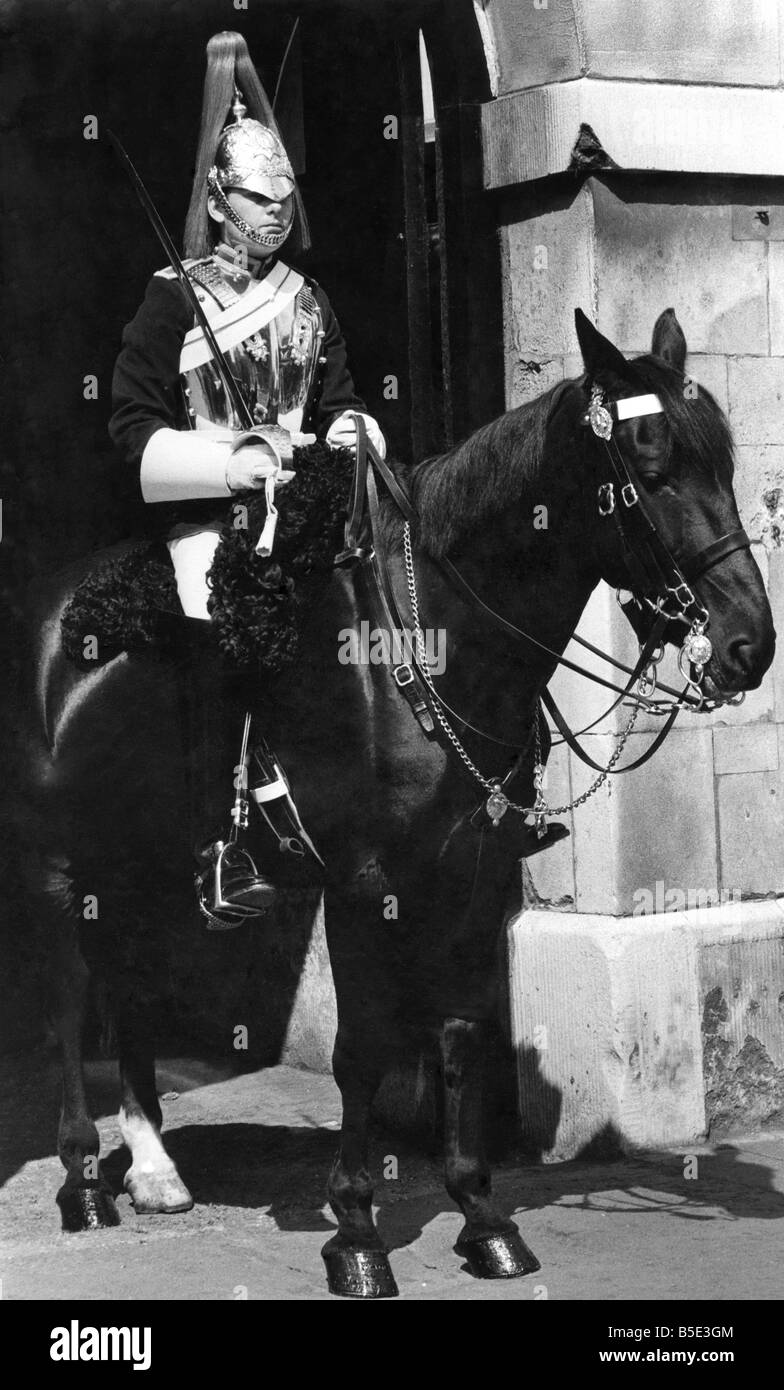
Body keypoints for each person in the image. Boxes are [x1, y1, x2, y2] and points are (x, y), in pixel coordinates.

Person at [109, 30, 385, 920]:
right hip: (210, 516)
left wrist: (353, 431)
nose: (274, 215)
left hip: (305, 506)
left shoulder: (310, 301)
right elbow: (132, 431)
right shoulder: (171, 295)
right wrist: (233, 462)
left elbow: (339, 397)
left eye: (283, 200)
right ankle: (217, 844)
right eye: (258, 200)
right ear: (222, 201)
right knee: (216, 621)